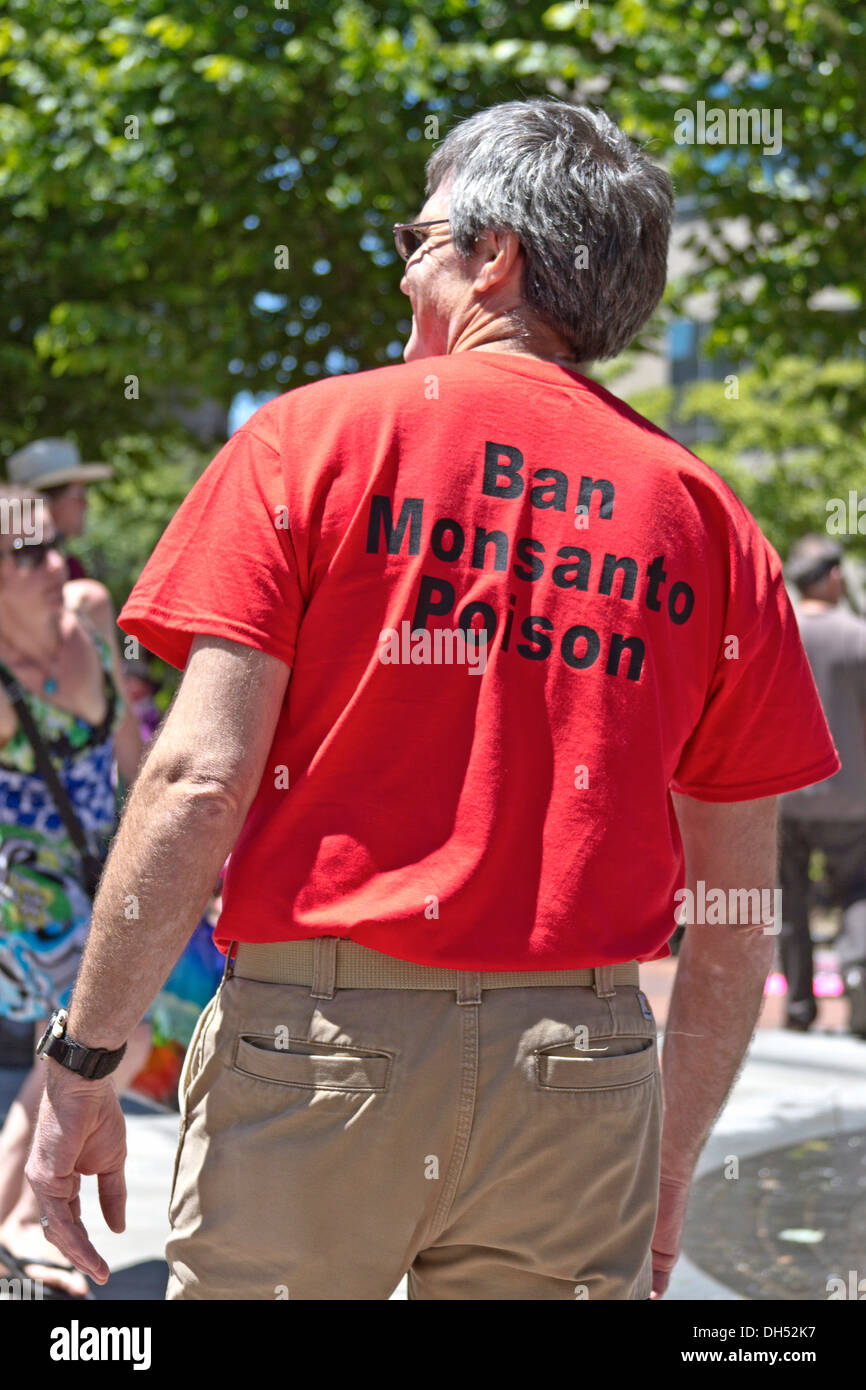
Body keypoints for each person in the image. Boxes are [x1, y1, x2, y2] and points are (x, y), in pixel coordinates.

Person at [26, 99, 839, 1302]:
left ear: (492, 255)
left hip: (319, 1049)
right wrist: (662, 1176)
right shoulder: (708, 522)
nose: (404, 270)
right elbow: (731, 907)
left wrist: (85, 1062)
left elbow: (199, 781)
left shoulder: (308, 442)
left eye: (418, 238)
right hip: (581, 1073)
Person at [0, 485, 149, 1297]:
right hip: (27, 892)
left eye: (52, 543)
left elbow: (134, 759)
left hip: (101, 869)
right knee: (93, 1030)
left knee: (100, 1038)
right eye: (26, 556)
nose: (54, 563)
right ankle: (22, 1218)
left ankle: (20, 1220)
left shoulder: (90, 614)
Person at [777, 535, 866, 1036]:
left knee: (790, 901)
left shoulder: (776, 635)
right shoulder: (859, 637)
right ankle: (858, 976)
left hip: (784, 797)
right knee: (858, 891)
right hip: (851, 796)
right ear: (833, 576)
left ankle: (798, 1007)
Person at [6, 438, 114, 583]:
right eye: (79, 496)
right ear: (47, 502)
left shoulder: (69, 567)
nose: (86, 504)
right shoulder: (64, 572)